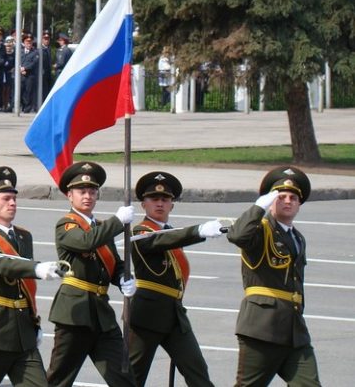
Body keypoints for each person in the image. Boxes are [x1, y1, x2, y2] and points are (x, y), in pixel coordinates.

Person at [0, 166, 61, 387]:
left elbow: (24, 286)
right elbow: (2, 265)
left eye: (14, 199)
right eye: (6, 199)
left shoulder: (24, 236)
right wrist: (35, 269)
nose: (13, 203)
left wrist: (34, 322)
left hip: (23, 333)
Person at [46, 161, 138, 387]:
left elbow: (114, 263)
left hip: (101, 315)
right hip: (74, 314)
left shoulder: (101, 227)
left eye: (92, 191)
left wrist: (123, 278)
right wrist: (117, 222)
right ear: (70, 196)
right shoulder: (66, 225)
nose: (87, 196)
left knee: (124, 378)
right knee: (59, 379)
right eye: (81, 191)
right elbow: (86, 242)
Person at [227, 166, 321, 386]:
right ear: (271, 201)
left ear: (299, 204)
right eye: (281, 197)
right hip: (262, 329)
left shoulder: (297, 237)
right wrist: (259, 206)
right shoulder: (260, 230)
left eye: (293, 198)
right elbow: (238, 235)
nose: (287, 201)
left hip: (295, 331)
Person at [128, 171, 223, 387]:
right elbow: (159, 241)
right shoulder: (141, 231)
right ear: (143, 204)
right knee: (134, 376)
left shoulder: (170, 232)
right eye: (154, 199)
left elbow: (170, 239)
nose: (159, 204)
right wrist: (199, 231)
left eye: (165, 199)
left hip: (174, 315)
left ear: (172, 205)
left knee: (196, 369)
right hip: (148, 316)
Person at [20, 33, 39, 113]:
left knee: (28, 92)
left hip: (30, 75)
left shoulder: (35, 52)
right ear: (24, 43)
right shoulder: (20, 51)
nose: (29, 44)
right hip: (20, 74)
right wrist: (20, 68)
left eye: (30, 42)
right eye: (27, 42)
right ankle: (23, 105)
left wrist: (25, 68)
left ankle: (28, 108)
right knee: (21, 91)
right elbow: (16, 60)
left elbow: (34, 63)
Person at [39, 31, 53, 100]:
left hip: (48, 73)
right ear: (42, 39)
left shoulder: (49, 49)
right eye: (45, 39)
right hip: (42, 73)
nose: (46, 40)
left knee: (48, 89)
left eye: (48, 39)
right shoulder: (39, 49)